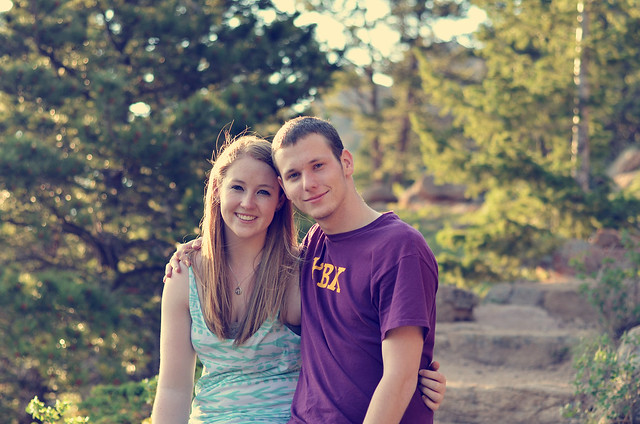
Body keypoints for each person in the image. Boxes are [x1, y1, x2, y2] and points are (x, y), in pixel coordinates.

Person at [154, 133, 446, 423]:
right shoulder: (185, 274)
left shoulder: (299, 268)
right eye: (237, 187)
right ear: (217, 189)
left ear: (280, 199)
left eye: (263, 192)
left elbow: (359, 345)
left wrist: (414, 378)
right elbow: (172, 389)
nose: (247, 203)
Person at [272, 116, 439, 423]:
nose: (308, 183)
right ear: (284, 187)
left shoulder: (400, 247)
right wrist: (207, 247)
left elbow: (400, 378)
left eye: (318, 166)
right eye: (294, 175)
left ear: (346, 162)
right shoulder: (313, 243)